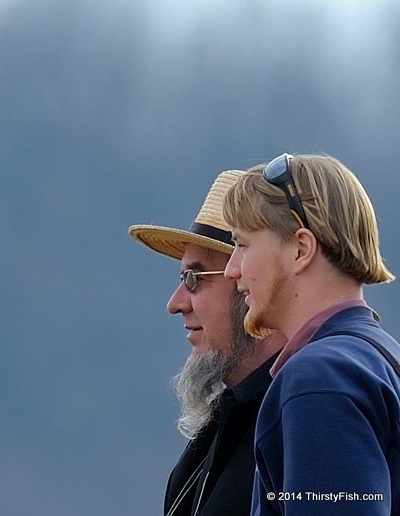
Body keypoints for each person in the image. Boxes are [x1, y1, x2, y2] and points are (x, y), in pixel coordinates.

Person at [223, 152, 400, 515]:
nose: (231, 270)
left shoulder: (319, 378)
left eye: (242, 245)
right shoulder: (377, 358)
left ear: (301, 250)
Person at [128, 169, 286, 516]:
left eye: (194, 278)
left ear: (250, 281)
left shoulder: (307, 415)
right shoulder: (220, 428)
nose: (176, 303)